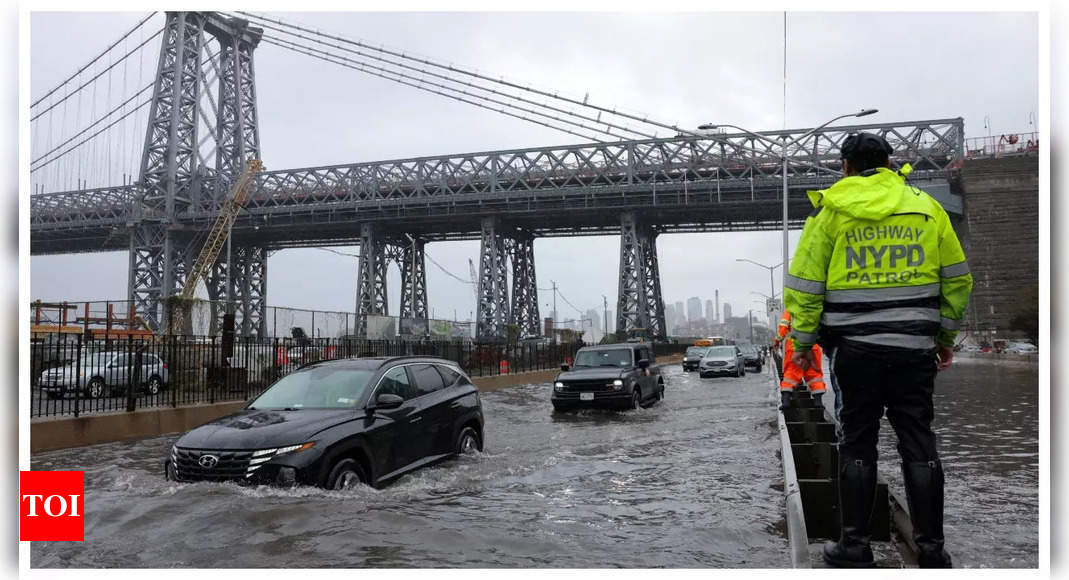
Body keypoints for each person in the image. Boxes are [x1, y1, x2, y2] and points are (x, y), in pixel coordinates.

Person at [783, 132, 972, 568]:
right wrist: (942, 339)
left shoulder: (830, 212)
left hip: (855, 353)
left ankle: (854, 546)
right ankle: (931, 550)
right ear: (890, 164)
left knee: (857, 443)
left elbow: (806, 288)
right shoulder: (928, 209)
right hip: (913, 350)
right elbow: (958, 280)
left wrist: (804, 344)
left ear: (845, 166)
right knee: (919, 444)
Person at [774, 309, 826, 410]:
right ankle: (818, 402)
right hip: (812, 345)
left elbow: (783, 329)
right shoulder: (815, 308)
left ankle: (786, 401)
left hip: (794, 347)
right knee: (814, 375)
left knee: (790, 373)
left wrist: (777, 341)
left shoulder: (790, 310)